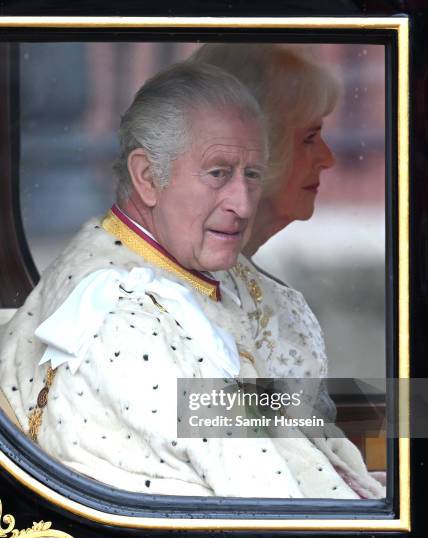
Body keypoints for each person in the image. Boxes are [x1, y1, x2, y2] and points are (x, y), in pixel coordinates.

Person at [0, 60, 381, 499]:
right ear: (147, 177)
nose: (241, 203)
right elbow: (267, 500)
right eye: (218, 173)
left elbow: (249, 414)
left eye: (252, 175)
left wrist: (411, 415)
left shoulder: (187, 271)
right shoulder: (125, 318)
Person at [191, 44, 385, 499]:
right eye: (310, 137)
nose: (329, 159)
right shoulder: (168, 292)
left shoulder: (244, 280)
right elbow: (200, 415)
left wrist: (412, 411)